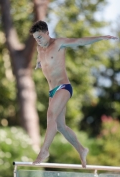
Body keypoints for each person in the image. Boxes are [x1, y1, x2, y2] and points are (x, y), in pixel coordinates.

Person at [29, 20, 118, 168]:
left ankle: (44, 151)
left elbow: (79, 41)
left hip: (64, 87)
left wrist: (101, 37)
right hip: (52, 91)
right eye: (35, 38)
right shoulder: (40, 49)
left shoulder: (58, 43)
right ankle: (82, 150)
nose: (38, 41)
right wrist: (39, 63)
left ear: (47, 33)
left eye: (39, 37)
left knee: (51, 115)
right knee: (60, 126)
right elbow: (42, 58)